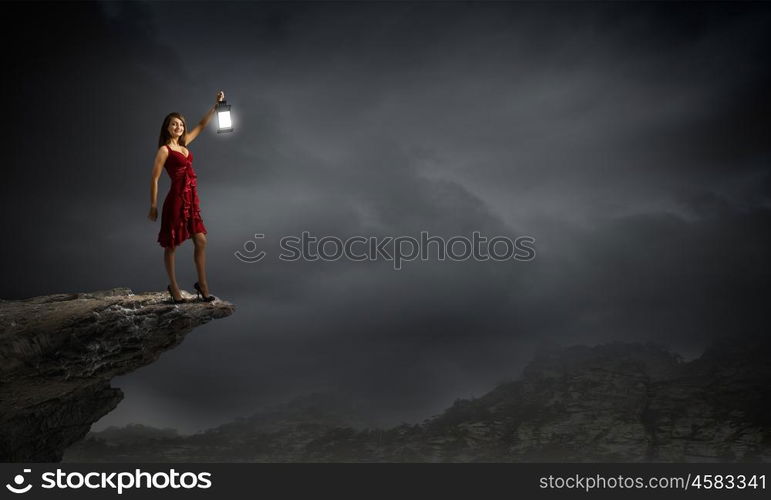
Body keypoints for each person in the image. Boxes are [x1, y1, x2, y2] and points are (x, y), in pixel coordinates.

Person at [148, 90, 224, 303]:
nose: (178, 127)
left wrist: (215, 106)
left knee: (201, 241)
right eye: (174, 124)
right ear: (167, 127)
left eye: (181, 124)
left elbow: (200, 125)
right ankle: (174, 287)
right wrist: (153, 205)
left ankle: (203, 285)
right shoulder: (164, 150)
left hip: (191, 201)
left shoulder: (184, 144)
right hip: (176, 200)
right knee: (171, 245)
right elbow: (154, 178)